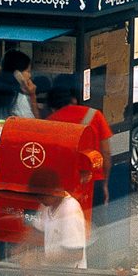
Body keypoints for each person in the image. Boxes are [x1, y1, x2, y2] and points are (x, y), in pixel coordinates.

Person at [22, 168, 88, 276]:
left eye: (42, 196)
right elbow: (37, 230)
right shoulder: (46, 206)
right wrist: (20, 249)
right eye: (37, 196)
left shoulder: (70, 210)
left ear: (55, 190)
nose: (39, 200)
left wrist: (39, 258)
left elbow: (76, 254)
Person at [45, 74, 112, 205]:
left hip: (64, 186)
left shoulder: (49, 122)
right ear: (74, 99)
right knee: (97, 224)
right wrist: (104, 184)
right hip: (93, 183)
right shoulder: (95, 115)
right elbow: (106, 154)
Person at [0, 49, 37, 121]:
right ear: (17, 74)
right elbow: (34, 125)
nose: (30, 75)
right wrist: (33, 96)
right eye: (28, 71)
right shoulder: (19, 98)